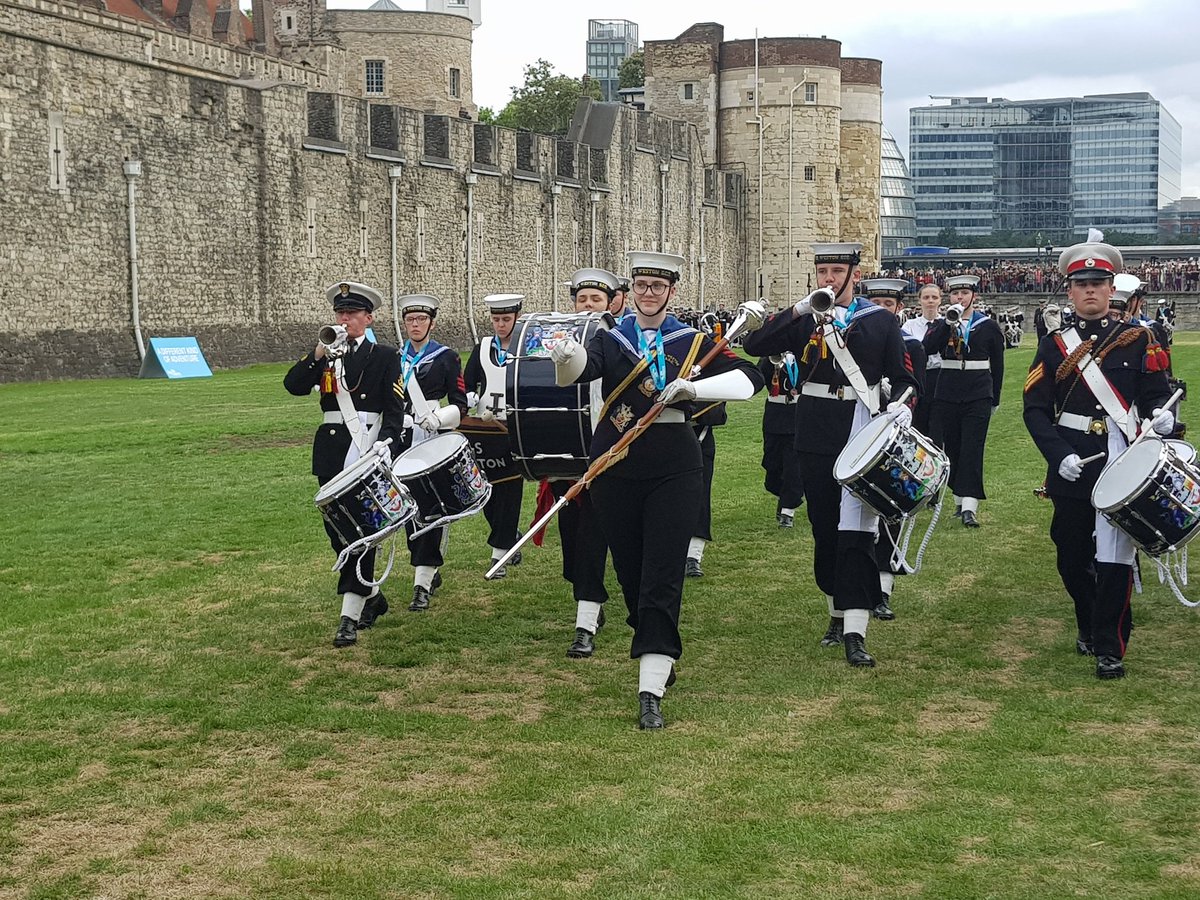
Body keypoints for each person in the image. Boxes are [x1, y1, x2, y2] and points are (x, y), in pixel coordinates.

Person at [549, 251, 764, 728]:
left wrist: (694, 391)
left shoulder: (693, 342)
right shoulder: (611, 339)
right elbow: (579, 372)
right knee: (630, 573)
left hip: (675, 465)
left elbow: (753, 377)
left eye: (658, 286)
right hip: (615, 464)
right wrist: (566, 355)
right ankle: (653, 646)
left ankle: (650, 684)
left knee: (662, 574)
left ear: (671, 291)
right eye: (642, 285)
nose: (649, 293)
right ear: (632, 290)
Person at [743, 243, 919, 668]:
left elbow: (905, 378)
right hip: (816, 428)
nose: (828, 278)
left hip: (862, 426)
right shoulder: (807, 319)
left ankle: (857, 630)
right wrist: (799, 309)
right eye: (822, 270)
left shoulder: (879, 321)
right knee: (824, 526)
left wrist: (900, 406)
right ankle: (836, 614)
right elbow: (755, 344)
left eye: (836, 270)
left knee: (858, 530)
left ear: (853, 275)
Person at [1023, 240, 1173, 679]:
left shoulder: (1139, 338)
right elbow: (1035, 408)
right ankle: (1088, 618)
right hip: (1072, 460)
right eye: (1082, 284)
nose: (1090, 291)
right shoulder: (1054, 345)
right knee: (1070, 553)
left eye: (1098, 284)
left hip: (1121, 456)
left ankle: (1110, 644)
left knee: (1114, 554)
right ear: (1070, 292)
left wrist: (1160, 417)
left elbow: (1158, 394)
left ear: (1112, 289)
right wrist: (1058, 455)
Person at [284, 281, 405, 648]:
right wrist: (318, 352)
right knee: (337, 533)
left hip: (366, 448)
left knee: (361, 533)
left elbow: (395, 409)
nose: (344, 319)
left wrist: (386, 442)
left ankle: (349, 616)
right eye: (340, 313)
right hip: (332, 451)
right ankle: (372, 596)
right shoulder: (328, 354)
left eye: (352, 313)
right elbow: (293, 385)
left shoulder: (384, 355)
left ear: (368, 318)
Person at [556, 268, 618, 660]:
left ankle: (585, 622)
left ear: (611, 303)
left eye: (596, 300)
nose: (588, 306)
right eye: (583, 300)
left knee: (594, 539)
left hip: (611, 452)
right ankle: (590, 604)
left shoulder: (621, 340)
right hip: (569, 450)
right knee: (573, 539)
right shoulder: (559, 340)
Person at [393, 294, 469, 612]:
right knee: (408, 510)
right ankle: (426, 568)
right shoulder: (392, 358)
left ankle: (422, 582)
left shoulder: (446, 357)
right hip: (401, 438)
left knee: (432, 510)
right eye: (410, 320)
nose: (415, 325)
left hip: (432, 436)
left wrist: (440, 417)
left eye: (421, 320)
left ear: (431, 323)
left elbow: (461, 403)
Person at [862, 278, 928, 622]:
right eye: (875, 303)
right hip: (861, 431)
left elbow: (916, 390)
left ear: (899, 308)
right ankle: (861, 587)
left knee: (890, 513)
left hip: (894, 434)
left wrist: (898, 397)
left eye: (888, 305)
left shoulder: (911, 345)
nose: (881, 310)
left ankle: (884, 588)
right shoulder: (855, 337)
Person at [920, 275, 1005, 527]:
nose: (960, 298)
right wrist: (947, 324)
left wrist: (996, 397)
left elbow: (998, 365)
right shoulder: (942, 323)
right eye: (956, 294)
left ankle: (970, 505)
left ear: (973, 297)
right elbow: (928, 347)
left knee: (972, 447)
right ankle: (958, 498)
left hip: (978, 391)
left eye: (965, 294)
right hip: (948, 392)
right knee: (953, 447)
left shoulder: (986, 325)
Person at [462, 294, 526, 578]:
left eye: (506, 319)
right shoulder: (483, 347)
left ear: (516, 318)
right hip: (486, 426)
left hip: (514, 425)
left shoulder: (526, 348)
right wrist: (470, 399)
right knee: (486, 487)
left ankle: (499, 554)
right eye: (496, 319)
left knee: (510, 488)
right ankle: (509, 535)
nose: (500, 325)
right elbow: (468, 380)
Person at [757, 353, 804, 528]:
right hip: (775, 414)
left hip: (798, 412)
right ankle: (784, 495)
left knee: (793, 466)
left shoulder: (804, 352)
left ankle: (788, 509)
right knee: (772, 465)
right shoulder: (770, 356)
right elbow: (760, 378)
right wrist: (771, 360)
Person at [901, 282, 943, 436]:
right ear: (920, 300)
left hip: (939, 377)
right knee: (919, 424)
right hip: (918, 376)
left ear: (940, 300)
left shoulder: (947, 324)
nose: (930, 301)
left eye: (934, 297)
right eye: (926, 297)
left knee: (938, 427)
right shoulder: (909, 326)